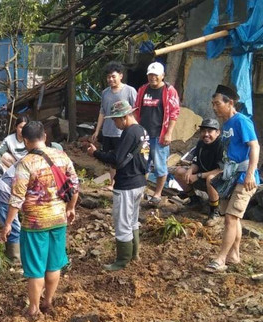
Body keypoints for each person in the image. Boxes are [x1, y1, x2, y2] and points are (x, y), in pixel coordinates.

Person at [2, 121, 78, 318]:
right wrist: (70, 208)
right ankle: (48, 302)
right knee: (54, 264)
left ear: (26, 141)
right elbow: (75, 186)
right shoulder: (62, 156)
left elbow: (16, 197)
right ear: (45, 136)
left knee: (36, 267)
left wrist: (9, 223)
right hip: (59, 219)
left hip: (35, 223)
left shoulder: (25, 163)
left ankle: (34, 309)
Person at [86, 100, 149, 270]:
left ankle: (122, 260)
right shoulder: (142, 131)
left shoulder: (129, 132)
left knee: (122, 222)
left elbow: (116, 159)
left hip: (126, 183)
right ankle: (134, 254)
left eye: (115, 120)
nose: (115, 123)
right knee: (133, 220)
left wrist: (96, 153)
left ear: (124, 117)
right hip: (139, 181)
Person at [205, 84, 260, 273]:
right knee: (233, 219)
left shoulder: (241, 121)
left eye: (217, 103)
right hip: (232, 176)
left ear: (230, 103)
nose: (214, 107)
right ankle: (234, 255)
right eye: (213, 103)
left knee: (230, 218)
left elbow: (254, 147)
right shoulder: (226, 124)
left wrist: (251, 174)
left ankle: (221, 259)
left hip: (245, 177)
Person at [0, 142, 64, 263]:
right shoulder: (35, 162)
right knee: (15, 228)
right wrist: (8, 223)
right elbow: (18, 195)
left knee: (18, 226)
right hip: (4, 194)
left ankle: (18, 256)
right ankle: (15, 261)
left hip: (7, 191)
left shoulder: (36, 158)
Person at [134, 62, 180, 206]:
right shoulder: (142, 90)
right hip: (144, 135)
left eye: (155, 75)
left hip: (159, 135)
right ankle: (141, 191)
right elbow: (136, 110)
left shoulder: (169, 91)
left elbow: (174, 113)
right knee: (143, 164)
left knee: (160, 166)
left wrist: (169, 133)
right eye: (150, 75)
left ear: (162, 76)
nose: (153, 77)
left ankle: (157, 194)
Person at [90, 61, 137, 189]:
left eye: (113, 76)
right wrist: (97, 130)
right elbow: (102, 112)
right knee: (111, 160)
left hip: (123, 132)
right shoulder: (105, 92)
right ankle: (112, 183)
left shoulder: (129, 91)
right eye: (108, 77)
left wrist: (135, 129)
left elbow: (135, 110)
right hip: (108, 131)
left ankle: (123, 182)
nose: (110, 79)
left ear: (120, 76)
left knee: (122, 158)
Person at [172, 118, 224, 225]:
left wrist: (199, 176)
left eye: (210, 131)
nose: (206, 134)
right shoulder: (201, 143)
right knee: (179, 171)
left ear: (217, 132)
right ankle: (195, 200)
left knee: (211, 179)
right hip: (202, 178)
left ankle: (214, 212)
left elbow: (220, 169)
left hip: (220, 182)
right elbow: (196, 163)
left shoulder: (221, 145)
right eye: (204, 131)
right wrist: (190, 170)